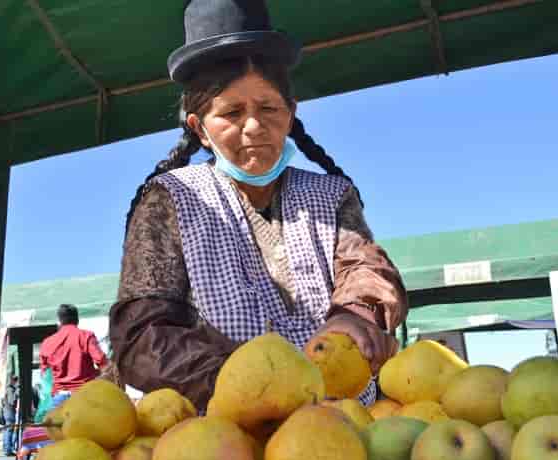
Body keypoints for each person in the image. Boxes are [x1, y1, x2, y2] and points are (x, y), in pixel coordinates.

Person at [109, 0, 407, 411]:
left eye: (269, 107)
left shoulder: (333, 195)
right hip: (219, 439)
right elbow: (142, 337)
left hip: (341, 423)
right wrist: (250, 386)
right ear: (200, 129)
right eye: (232, 112)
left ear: (291, 114)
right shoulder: (171, 198)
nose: (254, 126)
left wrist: (354, 319)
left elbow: (368, 272)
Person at [39, 304, 109, 408]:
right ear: (77, 319)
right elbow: (102, 361)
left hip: (60, 396)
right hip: (84, 394)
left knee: (62, 424)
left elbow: (44, 372)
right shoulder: (86, 336)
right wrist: (97, 373)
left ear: (60, 321)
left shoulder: (47, 342)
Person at [1, 375, 19, 456]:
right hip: (10, 412)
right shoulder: (10, 389)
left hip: (7, 411)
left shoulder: (7, 389)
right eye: (16, 380)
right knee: (9, 430)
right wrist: (17, 393)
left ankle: (6, 448)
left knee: (7, 430)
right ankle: (8, 449)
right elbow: (12, 401)